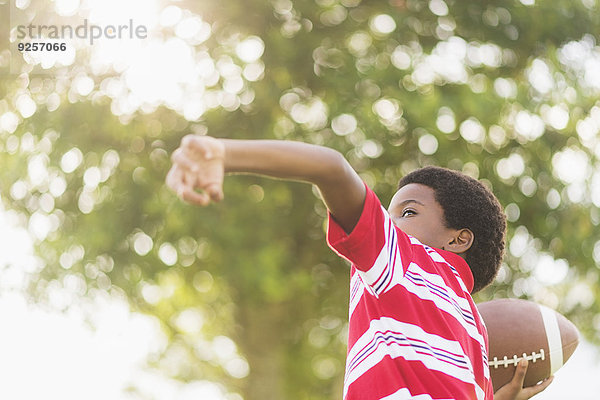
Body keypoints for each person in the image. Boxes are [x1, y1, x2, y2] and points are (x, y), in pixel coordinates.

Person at [166, 135, 553, 400]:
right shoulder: (465, 323)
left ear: (458, 239)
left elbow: (332, 167)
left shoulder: (407, 262)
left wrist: (225, 152)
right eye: (389, 214)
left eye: (408, 212)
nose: (390, 222)